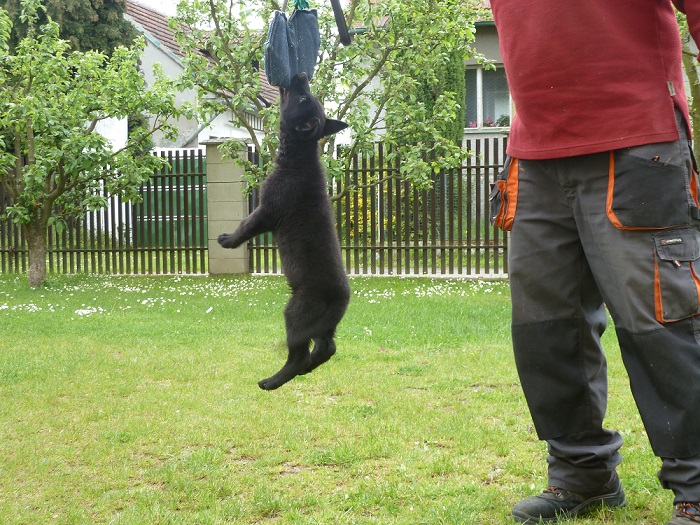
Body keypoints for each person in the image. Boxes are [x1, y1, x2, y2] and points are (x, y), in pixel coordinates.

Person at [488, 1, 700, 524]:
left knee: (661, 323)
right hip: (535, 151)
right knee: (546, 329)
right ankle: (582, 472)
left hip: (638, 137)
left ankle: (696, 482)